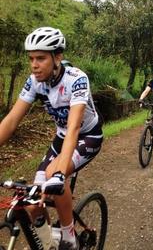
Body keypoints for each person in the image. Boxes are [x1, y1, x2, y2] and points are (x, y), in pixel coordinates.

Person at [0, 27, 103, 250]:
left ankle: (69, 238)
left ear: (58, 57)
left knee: (53, 175)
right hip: (61, 138)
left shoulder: (77, 79)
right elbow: (11, 122)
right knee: (31, 204)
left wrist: (58, 172)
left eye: (41, 58)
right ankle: (49, 244)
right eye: (31, 59)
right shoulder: (35, 81)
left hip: (87, 136)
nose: (34, 65)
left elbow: (75, 127)